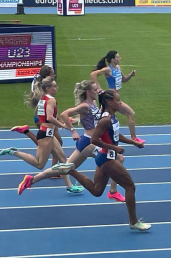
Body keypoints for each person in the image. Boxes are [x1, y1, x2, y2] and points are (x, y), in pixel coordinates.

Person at [52, 90, 150, 231]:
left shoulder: (111, 118)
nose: (120, 103)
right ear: (109, 102)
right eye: (118, 100)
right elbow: (94, 140)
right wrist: (113, 148)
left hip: (103, 158)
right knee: (130, 187)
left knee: (97, 191)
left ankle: (70, 170)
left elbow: (117, 135)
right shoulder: (105, 120)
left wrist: (134, 142)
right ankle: (133, 222)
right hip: (107, 159)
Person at [17, 81, 125, 202]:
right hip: (89, 142)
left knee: (66, 167)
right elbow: (64, 114)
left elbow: (89, 118)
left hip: (87, 142)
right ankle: (113, 191)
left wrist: (75, 120)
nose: (97, 91)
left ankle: (31, 180)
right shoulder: (84, 106)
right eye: (95, 90)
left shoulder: (94, 103)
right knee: (118, 158)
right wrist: (72, 130)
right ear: (88, 92)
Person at [0, 77, 74, 170]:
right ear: (47, 88)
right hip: (46, 133)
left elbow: (44, 116)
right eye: (54, 86)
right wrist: (62, 125)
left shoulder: (42, 98)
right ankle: (14, 152)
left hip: (47, 132)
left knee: (63, 160)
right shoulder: (51, 100)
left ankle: (69, 185)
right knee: (39, 164)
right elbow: (49, 117)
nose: (57, 88)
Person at [90, 51, 145, 144]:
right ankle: (133, 138)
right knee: (130, 113)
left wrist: (130, 76)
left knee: (101, 119)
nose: (120, 59)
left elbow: (123, 80)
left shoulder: (118, 68)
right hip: (111, 99)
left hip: (115, 98)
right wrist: (98, 88)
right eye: (118, 57)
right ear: (112, 59)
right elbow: (93, 74)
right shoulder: (108, 69)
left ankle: (97, 137)